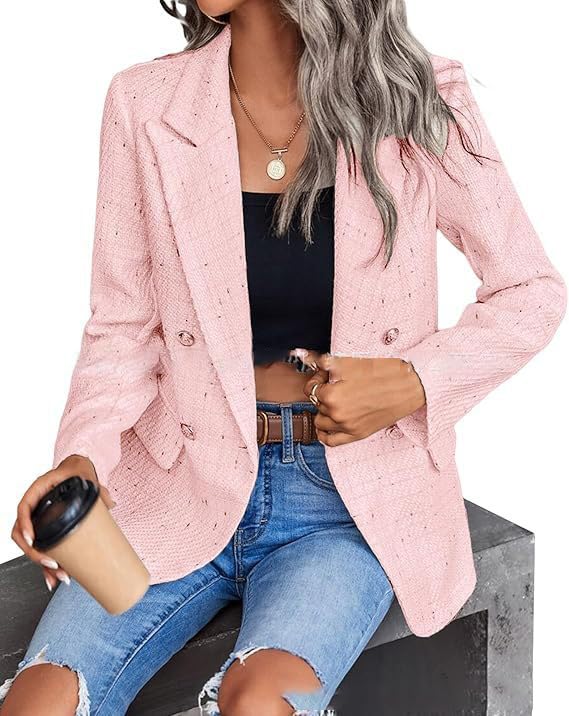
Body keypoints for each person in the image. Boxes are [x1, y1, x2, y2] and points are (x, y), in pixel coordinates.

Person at [1, 1, 566, 715]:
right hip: (179, 486)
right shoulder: (145, 103)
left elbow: (530, 291)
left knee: (262, 702)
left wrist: (413, 382)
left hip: (345, 507)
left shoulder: (418, 97)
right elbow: (122, 325)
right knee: (40, 703)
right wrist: (81, 456)